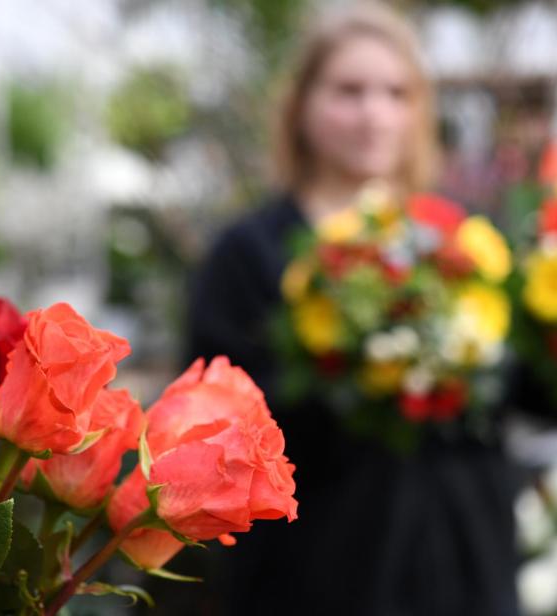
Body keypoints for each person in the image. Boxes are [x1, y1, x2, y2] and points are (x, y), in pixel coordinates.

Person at [185, 3, 519, 615]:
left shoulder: (466, 242)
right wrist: (354, 367)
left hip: (465, 566)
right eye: (349, 91)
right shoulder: (250, 252)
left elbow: (518, 392)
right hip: (316, 570)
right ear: (302, 105)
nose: (375, 115)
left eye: (397, 93)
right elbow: (215, 420)